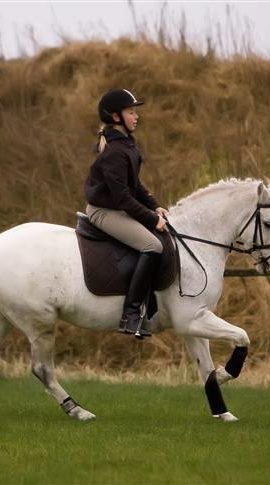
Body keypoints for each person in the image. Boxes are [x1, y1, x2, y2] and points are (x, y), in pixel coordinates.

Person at [83, 89, 169, 338]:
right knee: (152, 246)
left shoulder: (126, 145)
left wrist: (154, 206)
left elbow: (135, 186)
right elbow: (123, 198)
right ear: (116, 117)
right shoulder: (115, 152)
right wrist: (153, 220)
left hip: (117, 207)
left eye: (135, 112)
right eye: (131, 112)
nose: (136, 116)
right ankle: (131, 315)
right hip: (104, 212)